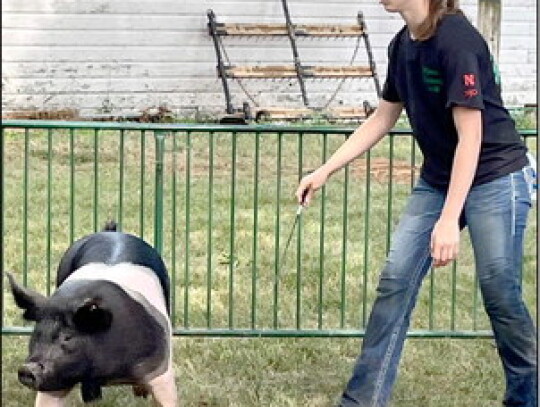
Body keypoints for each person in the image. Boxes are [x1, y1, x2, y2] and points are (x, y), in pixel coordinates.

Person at [295, 1, 537, 406]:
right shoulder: (401, 45)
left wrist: (447, 221)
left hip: (496, 175)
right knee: (395, 280)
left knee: (499, 290)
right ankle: (363, 400)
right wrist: (325, 170)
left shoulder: (458, 42)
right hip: (439, 177)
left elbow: (471, 137)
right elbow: (382, 118)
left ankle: (526, 397)